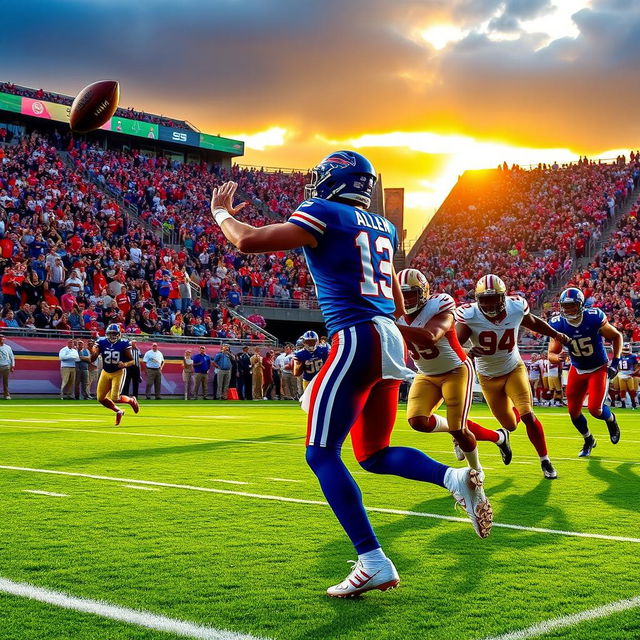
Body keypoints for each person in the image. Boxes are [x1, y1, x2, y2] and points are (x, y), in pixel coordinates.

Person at [210, 150, 492, 597]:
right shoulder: (384, 225)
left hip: (356, 335)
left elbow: (247, 241)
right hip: (386, 335)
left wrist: (221, 212)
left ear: (335, 180)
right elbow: (397, 301)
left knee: (321, 455)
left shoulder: (322, 209)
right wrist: (402, 331)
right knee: (372, 454)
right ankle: (452, 478)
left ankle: (372, 559)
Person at [395, 269, 512, 470]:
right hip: (425, 375)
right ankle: (499, 437)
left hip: (455, 371)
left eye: (410, 294)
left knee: (459, 428)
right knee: (418, 421)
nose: (405, 300)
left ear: (423, 292)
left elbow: (430, 336)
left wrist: (388, 323)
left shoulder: (439, 304)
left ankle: (476, 473)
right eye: (401, 294)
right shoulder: (392, 312)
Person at [455, 274, 569, 479]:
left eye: (494, 299)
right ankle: (502, 436)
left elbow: (533, 322)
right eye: (485, 300)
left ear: (503, 297)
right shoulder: (470, 315)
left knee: (527, 414)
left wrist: (555, 334)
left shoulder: (515, 307)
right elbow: (455, 344)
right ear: (477, 300)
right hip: (488, 376)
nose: (490, 305)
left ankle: (545, 460)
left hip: (513, 368)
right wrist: (467, 352)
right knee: (510, 424)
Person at [548, 288, 622, 456]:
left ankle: (611, 420)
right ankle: (589, 439)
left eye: (573, 306)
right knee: (573, 412)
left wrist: (615, 362)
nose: (569, 310)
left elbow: (616, 336)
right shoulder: (558, 323)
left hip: (598, 368)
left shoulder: (593, 317)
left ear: (581, 305)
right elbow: (551, 354)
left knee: (595, 410)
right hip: (577, 368)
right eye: (565, 306)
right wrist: (557, 358)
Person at [91, 323, 140, 425]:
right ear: (107, 334)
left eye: (114, 334)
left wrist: (125, 364)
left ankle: (131, 400)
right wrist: (93, 351)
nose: (112, 336)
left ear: (119, 334)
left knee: (114, 397)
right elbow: (93, 358)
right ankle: (119, 411)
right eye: (110, 333)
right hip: (105, 372)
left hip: (118, 372)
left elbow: (132, 361)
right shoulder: (102, 342)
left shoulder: (123, 343)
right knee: (100, 398)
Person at [617, 343, 639, 409]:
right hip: (621, 375)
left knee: (632, 390)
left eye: (627, 349)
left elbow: (637, 366)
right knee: (622, 390)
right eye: (624, 349)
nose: (625, 352)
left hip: (629, 375)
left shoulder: (633, 356)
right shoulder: (619, 356)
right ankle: (623, 404)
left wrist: (633, 372)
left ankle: (634, 404)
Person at [0, 334, 15, 399]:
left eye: (3, 339)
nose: (2, 340)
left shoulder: (8, 347)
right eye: (1, 338)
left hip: (6, 366)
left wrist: (13, 366)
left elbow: (12, 357)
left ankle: (6, 395)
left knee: (5, 382)